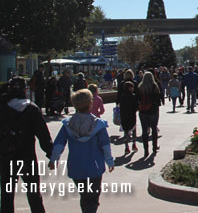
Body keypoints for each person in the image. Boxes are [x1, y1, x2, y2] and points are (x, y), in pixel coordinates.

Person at [49, 89, 114, 212]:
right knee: (92, 198)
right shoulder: (98, 125)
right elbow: (105, 145)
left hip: (76, 166)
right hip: (94, 167)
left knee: (84, 196)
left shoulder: (68, 124)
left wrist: (53, 159)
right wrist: (110, 161)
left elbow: (58, 144)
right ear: (90, 104)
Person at [1, 77, 54, 213]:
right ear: (25, 90)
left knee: (7, 195)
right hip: (27, 157)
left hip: (6, 157)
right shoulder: (31, 109)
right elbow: (43, 135)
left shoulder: (2, 106)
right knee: (34, 194)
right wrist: (52, 154)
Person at [138, 72, 162, 157]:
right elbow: (158, 98)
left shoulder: (140, 87)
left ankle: (146, 150)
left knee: (144, 131)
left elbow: (138, 99)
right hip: (153, 111)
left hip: (143, 111)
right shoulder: (155, 86)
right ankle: (154, 148)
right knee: (154, 129)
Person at [119, 80, 139, 155]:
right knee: (133, 130)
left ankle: (126, 147)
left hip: (124, 116)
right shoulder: (133, 96)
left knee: (126, 131)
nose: (133, 88)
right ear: (129, 88)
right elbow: (136, 106)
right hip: (132, 116)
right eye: (132, 87)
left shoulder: (122, 96)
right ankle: (134, 144)